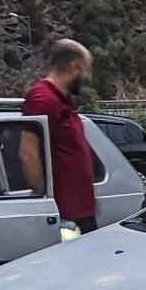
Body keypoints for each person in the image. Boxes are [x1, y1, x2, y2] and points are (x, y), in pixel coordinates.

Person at [19, 39, 98, 234]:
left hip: (79, 211)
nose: (86, 76)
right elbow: (27, 152)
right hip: (64, 215)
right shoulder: (43, 99)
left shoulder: (62, 101)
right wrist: (44, 200)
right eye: (84, 69)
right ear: (73, 67)